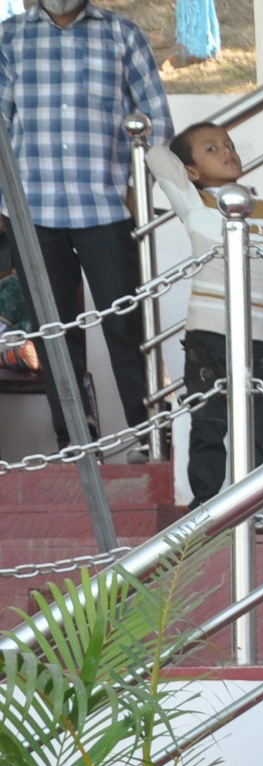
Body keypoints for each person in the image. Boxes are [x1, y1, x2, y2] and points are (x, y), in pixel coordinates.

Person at [0, 0, 172, 454]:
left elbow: (157, 119)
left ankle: (149, 437)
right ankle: (75, 440)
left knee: (127, 326)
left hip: (107, 207)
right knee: (52, 334)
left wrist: (138, 187)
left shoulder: (122, 34)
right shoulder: (10, 37)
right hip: (31, 211)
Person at [147, 126, 263, 508]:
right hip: (209, 338)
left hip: (256, 341)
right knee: (209, 424)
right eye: (212, 148)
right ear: (191, 170)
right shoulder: (194, 201)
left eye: (230, 145)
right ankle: (205, 508)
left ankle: (252, 510)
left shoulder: (262, 209)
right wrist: (176, 149)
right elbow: (156, 157)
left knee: (253, 428)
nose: (227, 151)